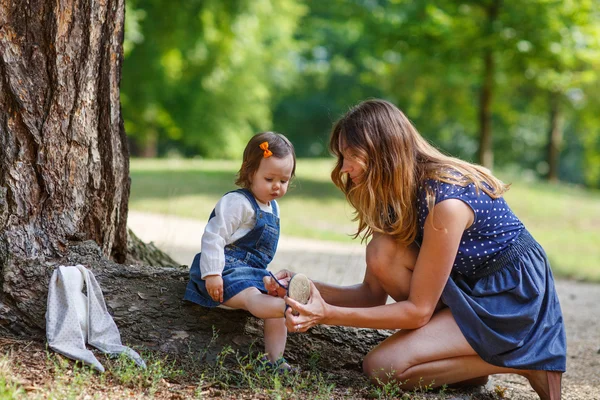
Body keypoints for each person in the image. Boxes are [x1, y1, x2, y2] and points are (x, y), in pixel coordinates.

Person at [266, 99, 566, 399]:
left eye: (352, 155)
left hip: (511, 299)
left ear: (384, 154)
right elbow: (371, 295)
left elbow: (418, 312)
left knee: (382, 367)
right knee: (382, 251)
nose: (344, 168)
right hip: (468, 289)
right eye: (342, 156)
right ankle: (470, 362)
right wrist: (299, 287)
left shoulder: (445, 203)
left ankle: (526, 358)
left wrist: (327, 314)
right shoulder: (396, 194)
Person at [184, 131, 310, 372]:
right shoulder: (237, 203)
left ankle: (275, 359)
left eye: (283, 181)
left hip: (250, 272)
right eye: (269, 178)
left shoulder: (273, 208)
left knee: (269, 291)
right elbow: (214, 236)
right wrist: (212, 274)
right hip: (224, 272)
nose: (277, 186)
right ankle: (288, 306)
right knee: (255, 297)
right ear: (250, 172)